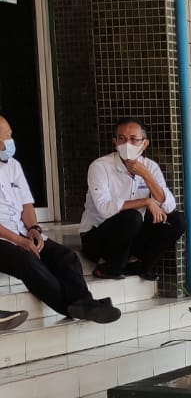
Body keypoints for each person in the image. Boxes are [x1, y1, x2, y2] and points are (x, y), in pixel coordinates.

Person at [0, 116, 121, 325]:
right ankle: (70, 306)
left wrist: (33, 230)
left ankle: (83, 302)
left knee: (65, 256)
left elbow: (26, 204)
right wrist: (20, 242)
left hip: (21, 230)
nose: (11, 140)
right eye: (6, 137)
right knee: (26, 261)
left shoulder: (13, 165)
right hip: (4, 239)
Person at [80, 117, 185, 280]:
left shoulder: (150, 167)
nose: (126, 144)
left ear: (144, 143)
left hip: (132, 235)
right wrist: (146, 201)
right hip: (98, 237)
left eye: (133, 139)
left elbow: (169, 206)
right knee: (132, 217)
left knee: (177, 220)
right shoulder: (100, 166)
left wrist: (145, 174)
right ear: (115, 142)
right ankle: (111, 267)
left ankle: (143, 266)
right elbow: (104, 208)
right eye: (121, 139)